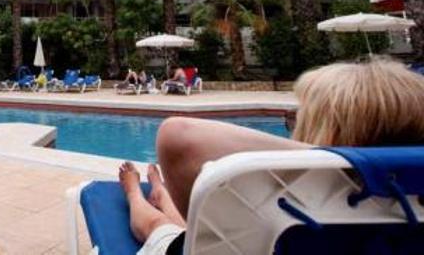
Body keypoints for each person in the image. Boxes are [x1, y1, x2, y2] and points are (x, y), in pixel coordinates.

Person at [119, 57, 424, 255]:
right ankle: (161, 192)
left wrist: (333, 162)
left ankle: (136, 192)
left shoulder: (287, 195)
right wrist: (380, 165)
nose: (293, 125)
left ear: (329, 137)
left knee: (159, 227)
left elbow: (180, 136)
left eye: (298, 118)